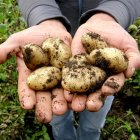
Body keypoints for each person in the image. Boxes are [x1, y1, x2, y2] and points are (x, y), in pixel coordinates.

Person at [0, 0, 140, 140]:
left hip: (108, 40)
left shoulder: (97, 58)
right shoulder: (58, 66)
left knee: (94, 121)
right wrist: (44, 17)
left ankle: (89, 134)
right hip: (53, 35)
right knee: (58, 117)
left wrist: (111, 14)